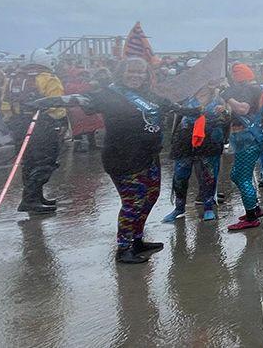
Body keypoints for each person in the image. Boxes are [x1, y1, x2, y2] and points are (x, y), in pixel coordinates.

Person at [29, 57, 191, 263]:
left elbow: (171, 107)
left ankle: (138, 239)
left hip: (149, 155)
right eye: (131, 71)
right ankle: (124, 249)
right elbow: (80, 99)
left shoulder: (149, 94)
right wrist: (48, 101)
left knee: (150, 197)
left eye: (140, 72)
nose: (136, 76)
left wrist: (197, 111)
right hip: (123, 158)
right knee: (133, 202)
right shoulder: (108, 94)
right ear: (121, 72)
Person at [2, 49, 68, 214]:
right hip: (42, 126)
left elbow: (4, 104)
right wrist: (59, 120)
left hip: (18, 125)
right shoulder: (48, 79)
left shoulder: (12, 79)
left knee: (29, 162)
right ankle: (30, 199)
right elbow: (57, 107)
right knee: (45, 162)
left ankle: (36, 196)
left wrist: (11, 121)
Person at [164, 83, 229, 223]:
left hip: (209, 142)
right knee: (180, 177)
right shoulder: (185, 99)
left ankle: (208, 207)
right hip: (185, 142)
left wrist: (224, 112)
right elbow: (173, 115)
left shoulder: (219, 98)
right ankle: (179, 208)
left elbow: (227, 119)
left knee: (208, 177)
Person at [222, 63, 263, 231]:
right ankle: (254, 207)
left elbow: (242, 109)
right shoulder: (253, 88)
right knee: (236, 175)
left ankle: (251, 217)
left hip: (247, 136)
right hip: (247, 136)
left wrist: (227, 97)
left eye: (234, 74)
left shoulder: (248, 90)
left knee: (242, 177)